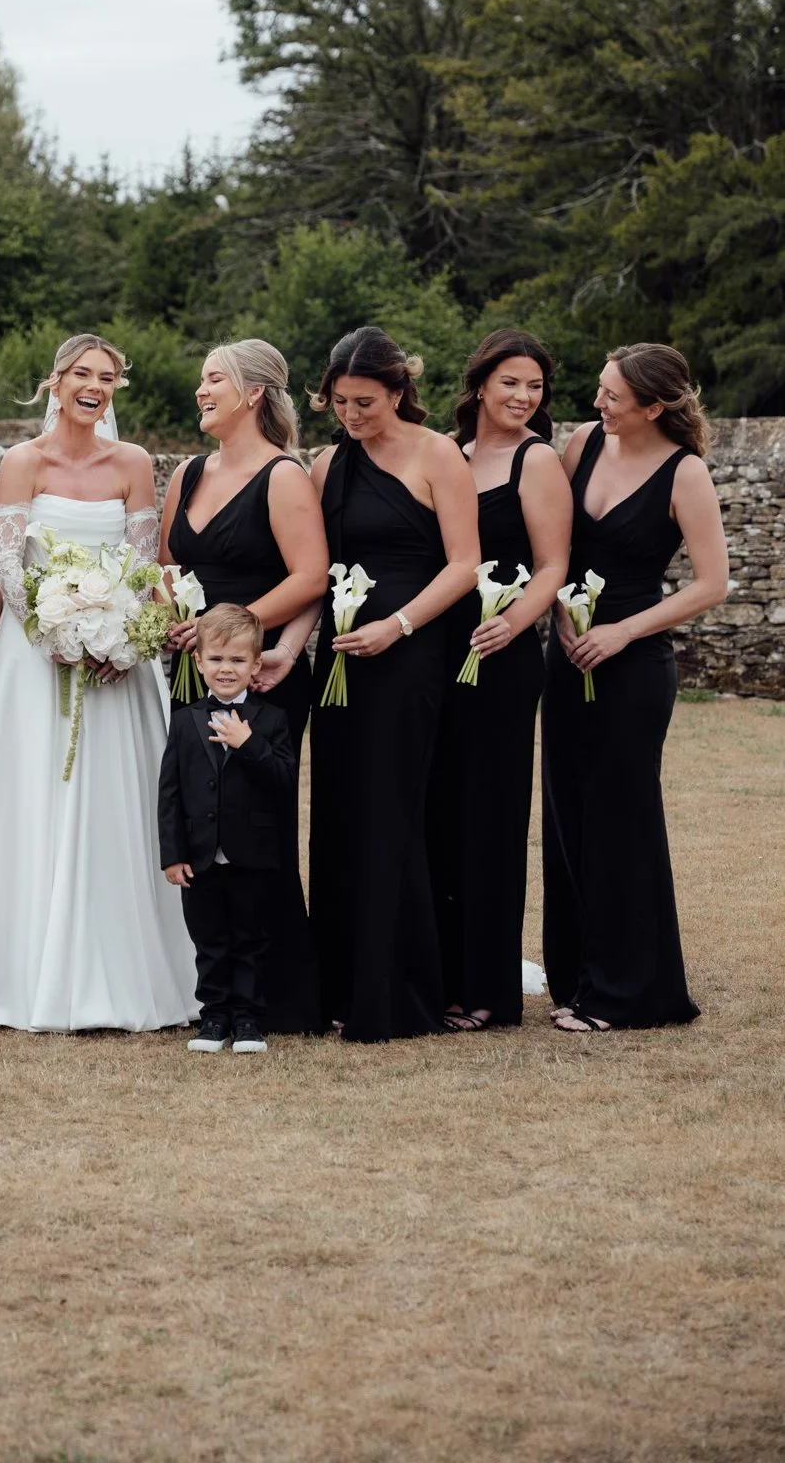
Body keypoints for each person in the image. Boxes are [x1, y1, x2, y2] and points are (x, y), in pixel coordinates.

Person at [0, 332, 198, 1033]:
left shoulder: (135, 462)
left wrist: (120, 640)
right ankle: (25, 975)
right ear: (53, 384)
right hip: (37, 656)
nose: (94, 385)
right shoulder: (23, 461)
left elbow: (144, 568)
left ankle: (133, 971)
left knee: (119, 802)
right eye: (81, 374)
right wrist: (59, 634)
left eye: (107, 377)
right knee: (37, 798)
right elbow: (7, 564)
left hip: (119, 661)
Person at [543, 343, 729, 1033]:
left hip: (633, 667)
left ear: (654, 406)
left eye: (612, 396)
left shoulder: (685, 474)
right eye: (598, 390)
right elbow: (552, 548)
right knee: (567, 819)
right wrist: (559, 614)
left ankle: (629, 994)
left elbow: (712, 584)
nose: (597, 404)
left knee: (621, 823)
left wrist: (621, 632)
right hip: (565, 658)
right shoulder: (582, 445)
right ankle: (579, 979)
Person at [305, 325, 480, 1042]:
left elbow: (464, 563)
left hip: (409, 656)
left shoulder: (438, 454)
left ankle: (398, 991)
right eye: (341, 402)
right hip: (340, 658)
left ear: (399, 392)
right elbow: (316, 569)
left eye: (366, 402)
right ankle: (340, 984)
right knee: (340, 810)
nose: (352, 416)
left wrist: (398, 626)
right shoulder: (324, 464)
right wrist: (293, 646)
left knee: (393, 810)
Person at [160, 340, 327, 1033]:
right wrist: (166, 619)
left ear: (253, 393)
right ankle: (208, 994)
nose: (201, 391)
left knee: (257, 829)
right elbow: (166, 566)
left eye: (213, 380)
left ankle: (277, 998)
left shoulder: (284, 475)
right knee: (201, 819)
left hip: (261, 673)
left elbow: (311, 575)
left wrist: (230, 635)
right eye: (200, 379)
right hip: (191, 671)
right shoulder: (188, 474)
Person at [425, 330, 572, 1031]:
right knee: (438, 813)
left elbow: (552, 566)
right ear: (479, 383)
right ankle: (437, 972)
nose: (521, 397)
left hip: (502, 653)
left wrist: (514, 625)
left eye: (534, 386)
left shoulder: (536, 461)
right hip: (435, 652)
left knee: (489, 817)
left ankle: (485, 987)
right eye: (509, 382)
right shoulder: (444, 455)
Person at [159, 602, 297, 1056]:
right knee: (210, 940)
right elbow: (171, 794)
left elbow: (283, 781)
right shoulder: (184, 721)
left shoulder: (273, 720)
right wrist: (172, 854)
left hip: (252, 854)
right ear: (197, 662)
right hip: (199, 856)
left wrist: (250, 744)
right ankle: (213, 1016)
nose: (226, 669)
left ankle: (248, 1019)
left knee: (249, 940)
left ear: (256, 664)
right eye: (216, 659)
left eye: (238, 660)